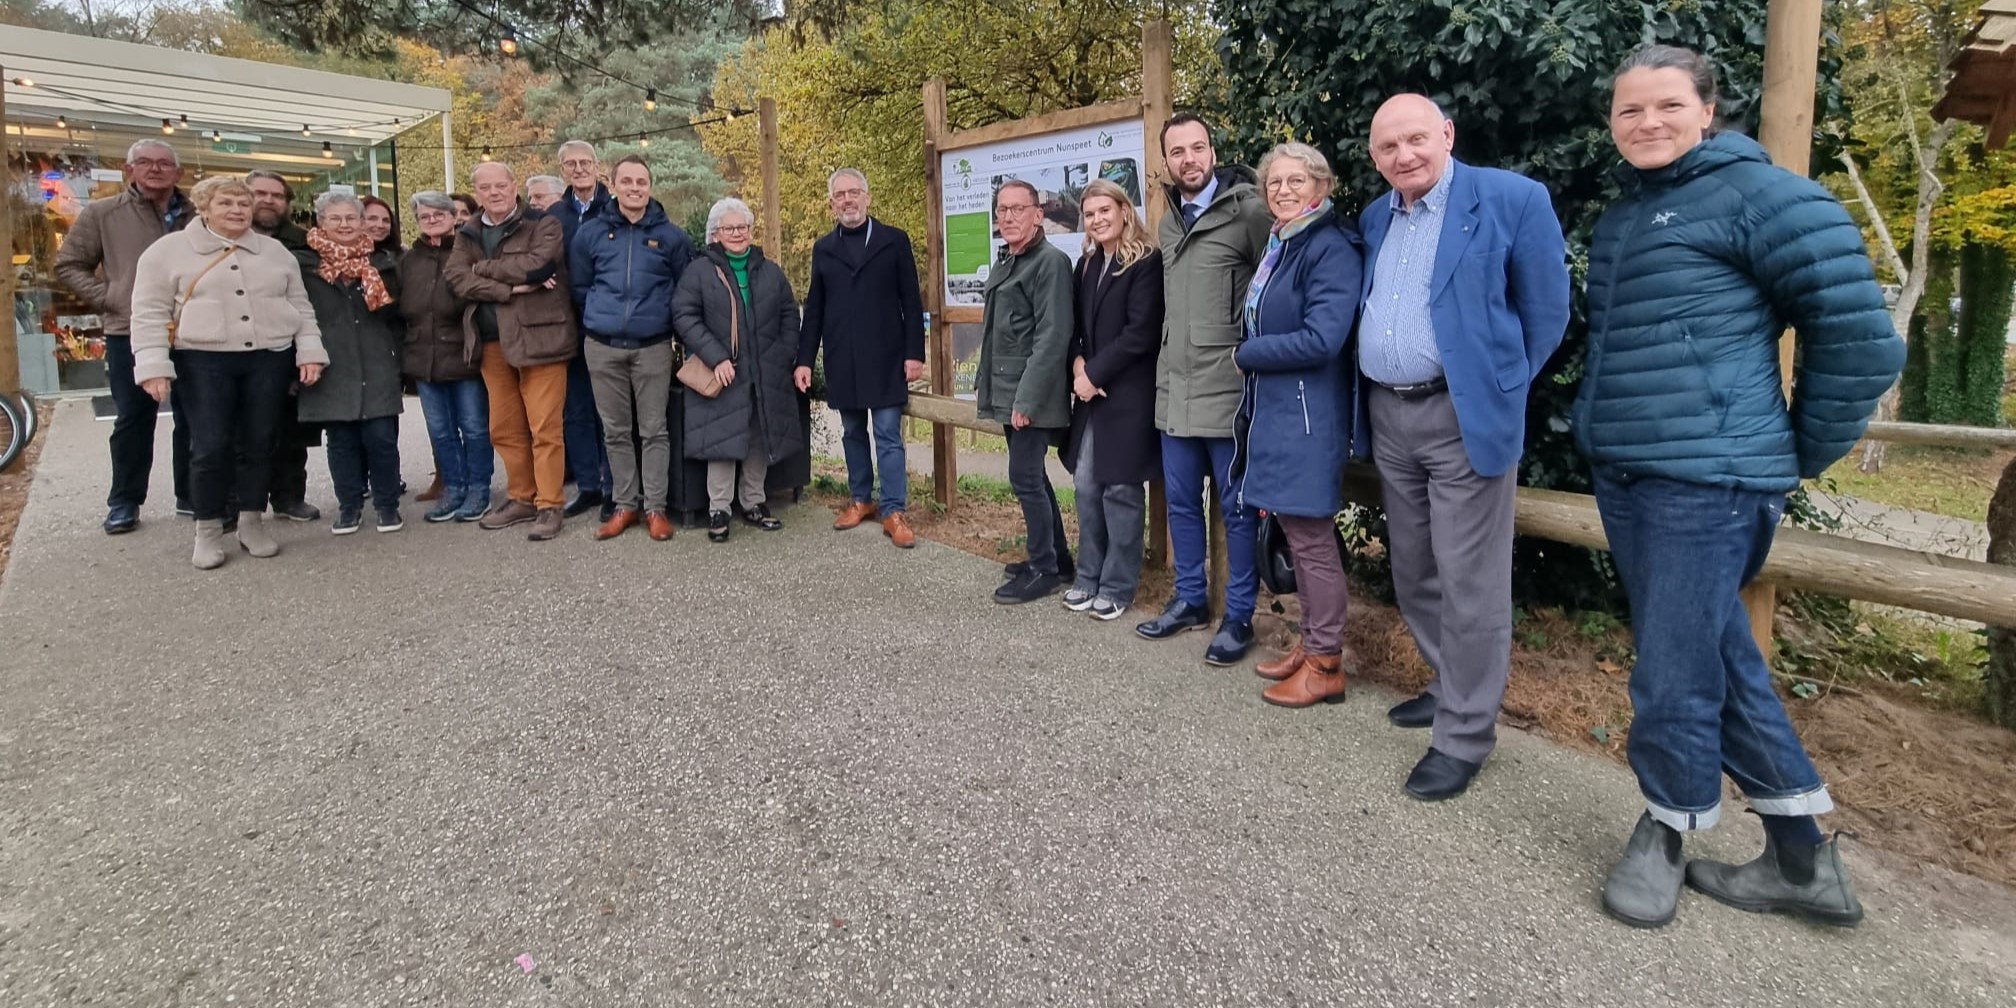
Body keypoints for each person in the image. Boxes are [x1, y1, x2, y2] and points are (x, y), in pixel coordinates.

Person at [1582, 45, 1903, 930]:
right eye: (1629, 111)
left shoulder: (1768, 199)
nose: (1646, 123)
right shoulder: (1631, 216)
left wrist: (1795, 452)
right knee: (1719, 655)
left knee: (1674, 673)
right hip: (1637, 473)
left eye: (1666, 106)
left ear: (1708, 109)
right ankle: (1803, 860)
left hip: (1707, 482)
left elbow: (1862, 340)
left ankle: (1668, 829)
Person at [1357, 94, 1570, 801]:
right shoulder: (1374, 215)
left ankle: (1464, 735)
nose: (1403, 155)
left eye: (1416, 139)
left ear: (1447, 133)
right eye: (1387, 147)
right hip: (1390, 417)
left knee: (1470, 581)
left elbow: (1546, 313)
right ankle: (1453, 686)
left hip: (1462, 418)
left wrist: (1495, 388)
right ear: (1374, 156)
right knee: (1414, 568)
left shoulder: (1511, 199)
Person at [126, 176, 327, 568]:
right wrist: (152, 366)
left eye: (242, 203)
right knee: (210, 445)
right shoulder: (166, 252)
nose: (236, 210)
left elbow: (300, 307)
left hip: (268, 356)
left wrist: (310, 352)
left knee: (260, 442)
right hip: (203, 359)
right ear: (204, 207)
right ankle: (208, 528)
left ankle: (252, 522)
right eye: (226, 203)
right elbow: (149, 313)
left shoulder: (274, 252)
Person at [1231, 144, 1365, 705]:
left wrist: (1248, 352)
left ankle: (1327, 662)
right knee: (1297, 531)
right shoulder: (1284, 245)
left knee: (1311, 542)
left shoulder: (1328, 248)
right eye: (1274, 183)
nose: (1282, 190)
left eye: (1295, 181)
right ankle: (1310, 645)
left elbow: (1322, 338)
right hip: (1282, 413)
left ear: (1322, 186)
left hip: (1309, 418)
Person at [1137, 113, 1272, 664]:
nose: (1189, 159)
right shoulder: (1168, 222)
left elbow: (1277, 285)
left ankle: (1239, 616)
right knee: (1181, 506)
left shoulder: (1249, 213)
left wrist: (1256, 356)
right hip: (1175, 389)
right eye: (1178, 152)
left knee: (1237, 509)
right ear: (1166, 161)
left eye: (1198, 148)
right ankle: (1190, 599)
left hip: (1228, 389)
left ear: (1213, 152)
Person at [54, 138, 195, 535]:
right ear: (128, 169)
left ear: (178, 173)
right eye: (145, 162)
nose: (155, 169)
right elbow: (68, 264)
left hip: (192, 332)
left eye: (164, 163)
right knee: (134, 417)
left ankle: (191, 494)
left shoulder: (197, 214)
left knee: (195, 416)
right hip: (130, 330)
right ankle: (125, 500)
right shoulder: (103, 213)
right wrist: (111, 297)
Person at [446, 160, 579, 542]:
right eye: (485, 188)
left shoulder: (542, 223)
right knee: (503, 427)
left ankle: (549, 503)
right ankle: (521, 496)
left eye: (500, 186)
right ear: (477, 192)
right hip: (490, 342)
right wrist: (508, 288)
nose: (494, 193)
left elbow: (538, 267)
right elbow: (456, 278)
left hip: (541, 339)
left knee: (544, 428)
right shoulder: (467, 232)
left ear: (512, 185)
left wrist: (482, 270)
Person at [796, 168, 925, 549]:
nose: (848, 200)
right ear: (832, 203)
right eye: (840, 195)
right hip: (843, 358)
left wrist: (914, 354)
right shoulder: (824, 248)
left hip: (887, 358)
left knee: (887, 436)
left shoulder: (893, 241)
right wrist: (804, 360)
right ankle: (860, 499)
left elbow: (912, 302)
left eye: (854, 193)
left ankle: (893, 510)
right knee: (852, 432)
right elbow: (814, 308)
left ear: (867, 198)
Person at [568, 155, 692, 542]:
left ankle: (655, 507)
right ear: (614, 185)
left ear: (650, 187)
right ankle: (625, 504)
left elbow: (683, 291)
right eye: (627, 181)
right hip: (602, 347)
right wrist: (600, 317)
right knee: (615, 431)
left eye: (641, 182)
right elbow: (579, 288)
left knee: (654, 430)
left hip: (653, 346)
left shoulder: (671, 237)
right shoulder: (591, 234)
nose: (635, 188)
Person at [673, 198, 805, 543]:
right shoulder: (700, 271)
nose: (737, 234)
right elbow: (684, 316)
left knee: (759, 437)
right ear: (715, 234)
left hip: (765, 371)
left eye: (742, 227)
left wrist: (783, 353)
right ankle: (719, 508)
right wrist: (716, 357)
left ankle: (754, 502)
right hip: (724, 370)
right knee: (722, 439)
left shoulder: (770, 271)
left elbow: (790, 315)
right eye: (729, 228)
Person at [1060, 179, 1162, 620]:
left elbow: (1140, 333)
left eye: (1105, 210)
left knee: (1120, 490)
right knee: (1085, 486)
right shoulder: (1085, 265)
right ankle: (1088, 576)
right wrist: (1080, 366)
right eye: (1090, 213)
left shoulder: (1145, 262)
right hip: (1090, 395)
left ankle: (1118, 586)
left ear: (1124, 211)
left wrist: (1096, 373)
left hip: (1128, 395)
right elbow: (1075, 329)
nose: (1098, 219)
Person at [976, 180, 1074, 604]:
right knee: (1032, 477)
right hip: (1008, 390)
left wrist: (1027, 400)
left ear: (1038, 214)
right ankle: (1058, 559)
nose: (1009, 216)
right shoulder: (1009, 261)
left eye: (1019, 209)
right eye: (1003, 210)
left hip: (1030, 394)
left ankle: (1043, 569)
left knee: (1024, 478)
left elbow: (1052, 337)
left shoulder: (1049, 262)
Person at [295, 192, 406, 535]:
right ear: (321, 223)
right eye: (335, 219)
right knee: (341, 440)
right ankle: (349, 505)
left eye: (351, 218)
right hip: (332, 361)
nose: (344, 225)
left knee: (381, 438)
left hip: (376, 358)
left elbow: (399, 316)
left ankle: (387, 505)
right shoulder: (303, 265)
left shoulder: (383, 263)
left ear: (361, 222)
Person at [400, 190, 492, 524]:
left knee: (474, 427)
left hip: (462, 353)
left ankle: (479, 489)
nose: (433, 220)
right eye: (425, 216)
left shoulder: (468, 252)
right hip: (423, 356)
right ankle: (453, 488)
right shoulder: (409, 260)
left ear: (454, 217)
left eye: (440, 214)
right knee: (440, 430)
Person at [245, 169, 321, 524]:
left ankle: (290, 496)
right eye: (260, 193)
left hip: (289, 345)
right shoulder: (225, 239)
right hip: (237, 347)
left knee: (291, 428)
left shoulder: (305, 243)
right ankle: (244, 502)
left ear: (287, 203)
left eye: (277, 195)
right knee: (243, 430)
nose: (268, 200)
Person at [551, 141, 615, 521]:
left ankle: (612, 486)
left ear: (597, 166)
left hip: (605, 326)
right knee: (575, 410)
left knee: (608, 412)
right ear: (562, 171)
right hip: (567, 325)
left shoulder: (614, 210)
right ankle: (588, 485)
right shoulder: (553, 216)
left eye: (585, 162)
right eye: (570, 164)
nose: (578, 169)